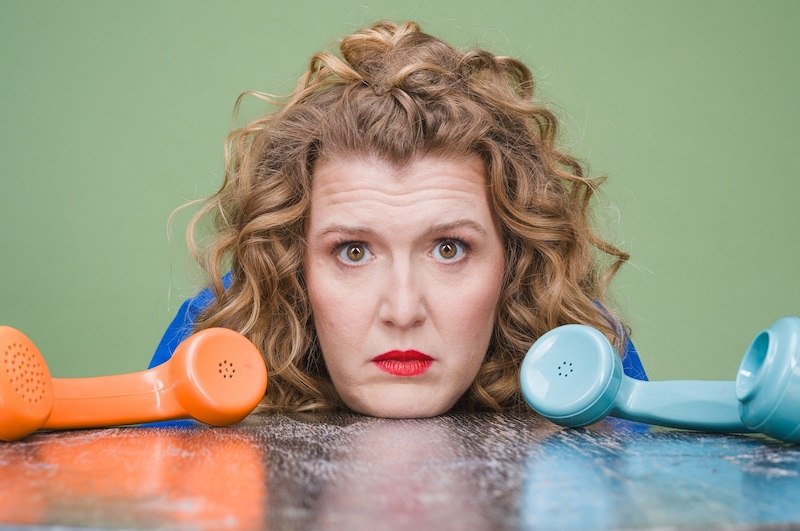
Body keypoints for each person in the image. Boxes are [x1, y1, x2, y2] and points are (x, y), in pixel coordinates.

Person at [150, 20, 647, 418]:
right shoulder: (216, 341)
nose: (404, 310)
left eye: (449, 248)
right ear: (293, 271)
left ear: (514, 266)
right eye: (353, 251)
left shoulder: (584, 355)